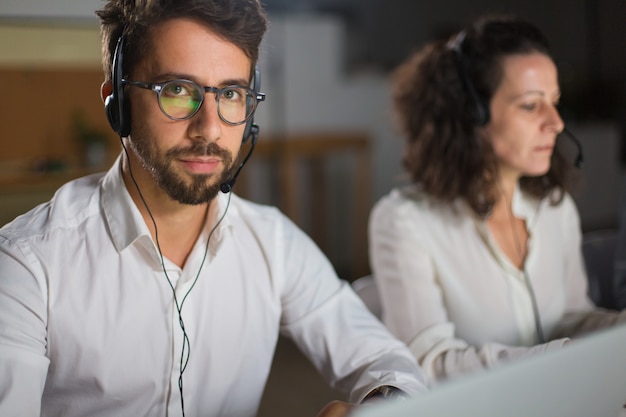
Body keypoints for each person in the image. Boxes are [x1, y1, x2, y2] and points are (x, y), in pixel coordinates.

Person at [0, 0, 430, 416]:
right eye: (177, 90)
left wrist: (380, 405)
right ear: (118, 103)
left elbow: (389, 363)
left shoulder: (272, 242)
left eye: (229, 93)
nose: (209, 127)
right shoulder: (27, 264)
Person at [369, 14, 626, 383]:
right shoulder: (403, 221)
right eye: (530, 105)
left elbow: (570, 318)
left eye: (554, 102)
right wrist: (561, 358)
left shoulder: (555, 209)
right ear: (472, 113)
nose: (555, 122)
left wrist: (619, 327)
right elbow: (429, 363)